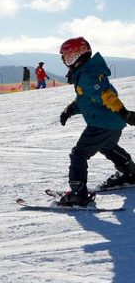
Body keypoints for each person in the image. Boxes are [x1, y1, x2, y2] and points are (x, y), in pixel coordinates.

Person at [57, 37, 135, 206]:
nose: (64, 60)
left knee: (78, 154)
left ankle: (78, 193)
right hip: (113, 123)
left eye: (65, 56)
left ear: (75, 55)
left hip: (102, 124)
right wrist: (69, 110)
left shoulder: (86, 76)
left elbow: (106, 96)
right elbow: (87, 100)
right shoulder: (87, 72)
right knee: (107, 146)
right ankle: (130, 173)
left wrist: (124, 112)